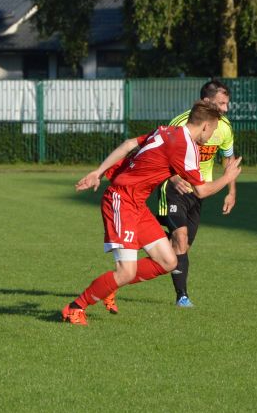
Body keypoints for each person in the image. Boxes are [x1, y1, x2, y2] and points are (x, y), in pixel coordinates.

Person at [61, 100, 243, 326]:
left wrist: (98, 172)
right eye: (213, 129)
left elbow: (129, 144)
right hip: (121, 200)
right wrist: (227, 177)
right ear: (205, 126)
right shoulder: (186, 147)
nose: (213, 134)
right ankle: (75, 307)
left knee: (168, 261)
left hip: (137, 204)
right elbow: (202, 191)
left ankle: (112, 285)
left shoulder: (167, 130)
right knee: (126, 272)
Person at [151, 78, 237, 309]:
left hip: (200, 192)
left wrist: (231, 192)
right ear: (206, 101)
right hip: (175, 188)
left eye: (227, 103)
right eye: (221, 103)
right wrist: (174, 178)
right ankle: (182, 296)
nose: (226, 108)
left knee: (181, 249)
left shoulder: (224, 127)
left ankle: (148, 239)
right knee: (180, 240)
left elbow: (228, 159)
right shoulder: (181, 124)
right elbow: (160, 156)